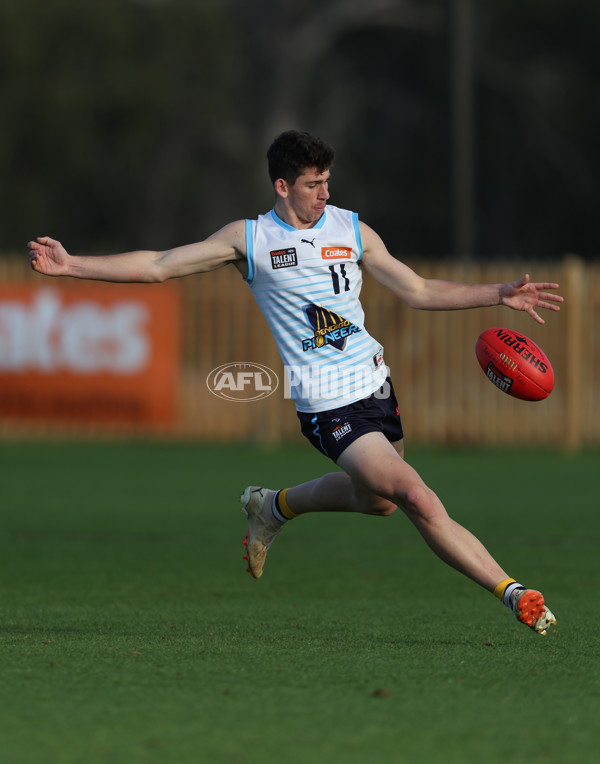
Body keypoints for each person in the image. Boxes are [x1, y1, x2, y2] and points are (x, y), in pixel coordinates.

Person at [28, 129, 563, 635]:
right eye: (313, 184)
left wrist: (497, 294)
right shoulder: (251, 239)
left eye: (327, 180)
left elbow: (418, 290)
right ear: (282, 186)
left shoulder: (352, 229)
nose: (324, 193)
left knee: (377, 501)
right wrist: (72, 265)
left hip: (375, 386)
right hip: (326, 405)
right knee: (415, 495)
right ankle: (513, 592)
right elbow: (159, 265)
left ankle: (273, 505)